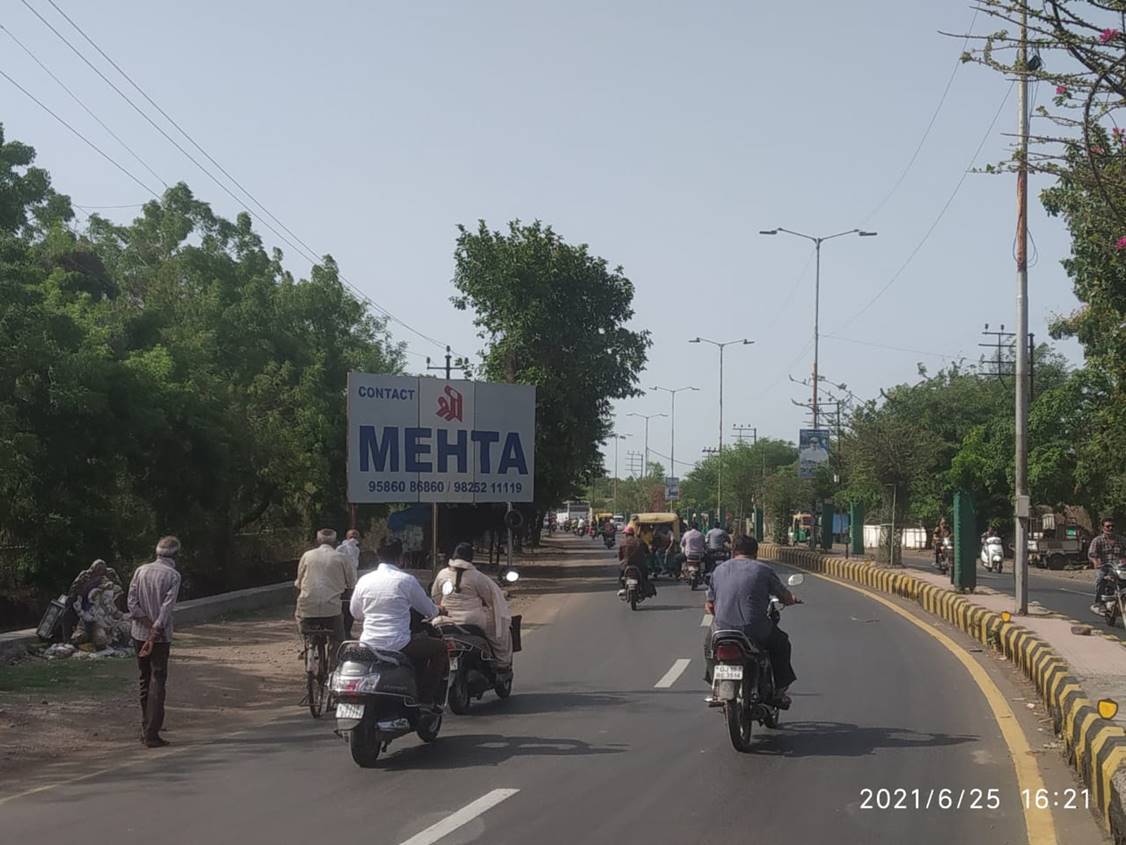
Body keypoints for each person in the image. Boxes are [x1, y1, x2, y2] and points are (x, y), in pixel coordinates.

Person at [704, 535, 799, 708]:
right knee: (782, 644)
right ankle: (779, 691)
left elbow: (710, 605)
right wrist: (791, 599)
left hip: (722, 630)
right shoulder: (763, 570)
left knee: (708, 647)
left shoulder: (719, 570)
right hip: (755, 629)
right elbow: (784, 596)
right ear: (755, 553)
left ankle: (715, 684)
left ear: (733, 551)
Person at [350, 538, 447, 706]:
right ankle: (426, 699)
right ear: (401, 558)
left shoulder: (364, 580)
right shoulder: (406, 580)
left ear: (378, 556)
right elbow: (429, 611)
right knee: (441, 648)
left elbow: (356, 613)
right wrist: (440, 610)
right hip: (399, 644)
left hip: (368, 644)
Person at [127, 536, 183, 748]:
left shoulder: (141, 570)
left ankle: (146, 726)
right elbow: (166, 609)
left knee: (144, 679)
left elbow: (132, 604)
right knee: (157, 681)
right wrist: (156, 628)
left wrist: (148, 625)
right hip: (159, 638)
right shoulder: (173, 576)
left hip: (139, 634)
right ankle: (152, 732)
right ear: (176, 555)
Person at [431, 542, 513, 667]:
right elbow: (492, 600)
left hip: (445, 620)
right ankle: (503, 664)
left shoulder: (442, 574)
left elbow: (436, 597)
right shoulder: (477, 577)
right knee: (500, 632)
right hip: (473, 621)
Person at [294, 529, 356, 653]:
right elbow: (351, 583)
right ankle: (335, 660)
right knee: (339, 637)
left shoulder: (307, 555)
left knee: (298, 615)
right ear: (336, 543)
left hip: (307, 607)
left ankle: (305, 646)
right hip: (332, 609)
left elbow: (299, 582)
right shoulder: (342, 558)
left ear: (317, 541)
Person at [62, 559, 123, 641]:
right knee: (69, 613)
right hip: (84, 598)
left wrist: (108, 588)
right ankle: (67, 638)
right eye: (97, 571)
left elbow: (119, 587)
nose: (99, 573)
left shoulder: (110, 573)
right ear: (93, 570)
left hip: (101, 599)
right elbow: (74, 591)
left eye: (101, 571)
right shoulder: (85, 575)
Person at [1089, 517, 1125, 612]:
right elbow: (1092, 554)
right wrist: (1096, 562)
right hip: (1105, 567)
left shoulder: (1122, 540)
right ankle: (1099, 603)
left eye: (1112, 526)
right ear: (1103, 528)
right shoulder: (1097, 540)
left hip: (1119, 568)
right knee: (1100, 579)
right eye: (1108, 526)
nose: (1110, 528)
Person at [617, 524, 655, 597]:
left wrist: (622, 561)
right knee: (645, 575)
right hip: (640, 564)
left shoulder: (623, 542)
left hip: (626, 564)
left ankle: (622, 587)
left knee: (621, 573)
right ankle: (645, 588)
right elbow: (647, 551)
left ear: (626, 534)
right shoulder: (640, 541)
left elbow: (620, 556)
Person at [337, 529, 362, 635]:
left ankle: (347, 631)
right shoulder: (341, 548)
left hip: (352, 583)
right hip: (341, 583)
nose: (354, 538)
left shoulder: (356, 550)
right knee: (342, 609)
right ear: (347, 537)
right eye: (352, 535)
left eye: (356, 535)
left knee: (350, 609)